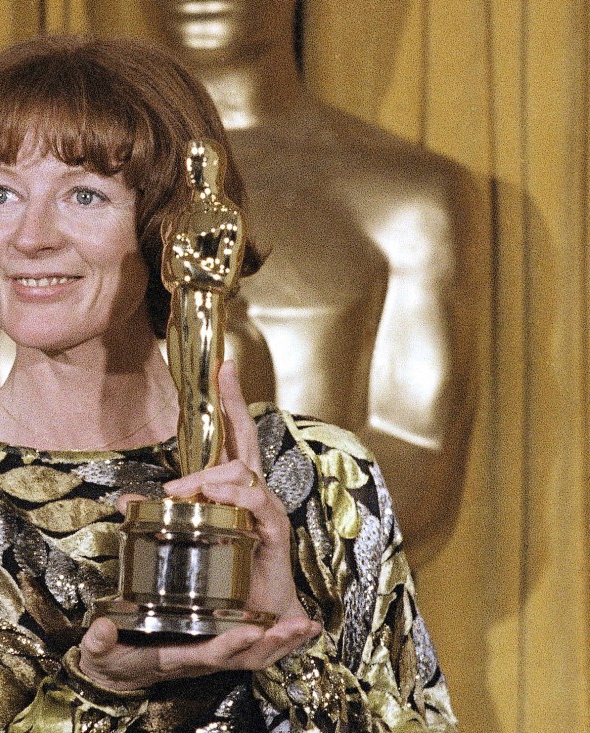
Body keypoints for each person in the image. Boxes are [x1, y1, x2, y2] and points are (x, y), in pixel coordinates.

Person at [0, 36, 457, 732]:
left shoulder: (320, 478)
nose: (30, 236)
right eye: (1, 193)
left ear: (164, 229)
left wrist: (290, 642)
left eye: (83, 194)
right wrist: (97, 687)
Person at [142, 0, 480, 558]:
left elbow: (418, 470)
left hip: (321, 610)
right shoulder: (53, 199)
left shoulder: (408, 198)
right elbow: (2, 447)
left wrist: (250, 539)